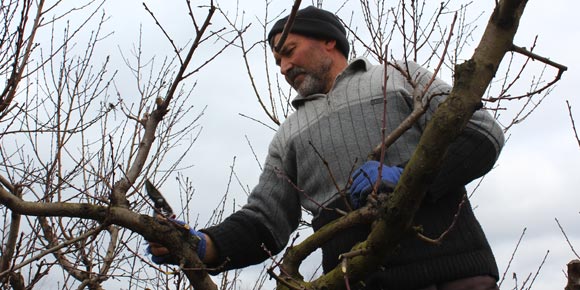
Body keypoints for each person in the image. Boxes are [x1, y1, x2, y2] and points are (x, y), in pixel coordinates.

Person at [148, 6, 505, 290]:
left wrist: (406, 175)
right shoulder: (288, 134)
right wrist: (204, 245)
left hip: (457, 270)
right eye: (278, 62)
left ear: (328, 42)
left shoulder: (399, 76)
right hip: (360, 281)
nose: (284, 67)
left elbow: (481, 134)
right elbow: (263, 222)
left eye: (289, 52)